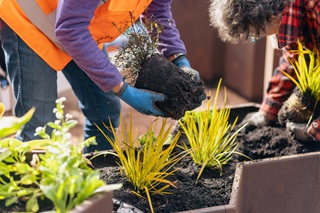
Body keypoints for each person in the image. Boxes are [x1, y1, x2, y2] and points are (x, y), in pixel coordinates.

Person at [0, 0, 205, 152]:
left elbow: (158, 11)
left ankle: (92, 189)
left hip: (77, 24)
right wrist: (123, 90)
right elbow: (70, 29)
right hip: (30, 18)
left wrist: (178, 58)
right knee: (39, 131)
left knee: (103, 111)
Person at [209, 0, 320, 141]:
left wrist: (314, 130)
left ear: (270, 15)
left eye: (255, 35)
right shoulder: (290, 13)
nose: (256, 38)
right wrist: (267, 112)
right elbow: (293, 60)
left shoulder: (316, 7)